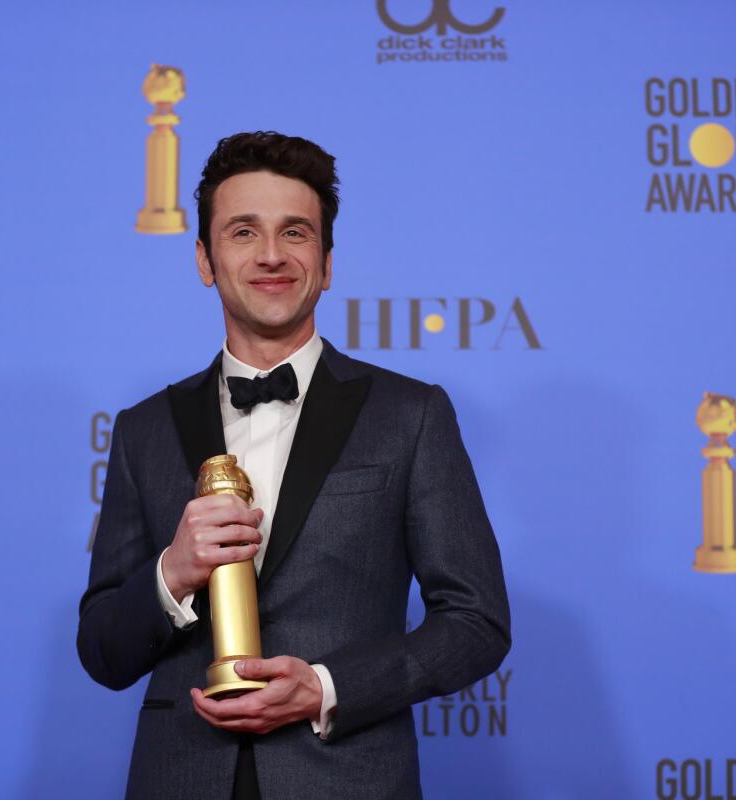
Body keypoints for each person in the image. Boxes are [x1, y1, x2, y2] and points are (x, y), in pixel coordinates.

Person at [78, 131, 510, 800]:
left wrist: (327, 688)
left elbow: (476, 622)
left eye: (296, 233)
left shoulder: (410, 414)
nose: (272, 255)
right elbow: (103, 652)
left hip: (348, 777)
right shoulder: (144, 430)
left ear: (328, 262)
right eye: (243, 232)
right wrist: (171, 573)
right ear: (204, 258)